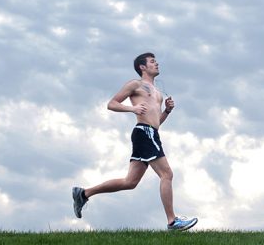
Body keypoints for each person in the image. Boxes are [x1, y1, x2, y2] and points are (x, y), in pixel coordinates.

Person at [72, 52, 198, 231]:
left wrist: (167, 111)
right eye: (152, 62)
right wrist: (132, 108)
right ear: (142, 67)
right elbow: (112, 103)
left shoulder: (158, 94)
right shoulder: (135, 85)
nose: (157, 64)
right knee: (167, 174)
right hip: (143, 133)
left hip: (151, 133)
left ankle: (84, 193)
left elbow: (156, 123)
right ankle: (172, 221)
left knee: (130, 182)